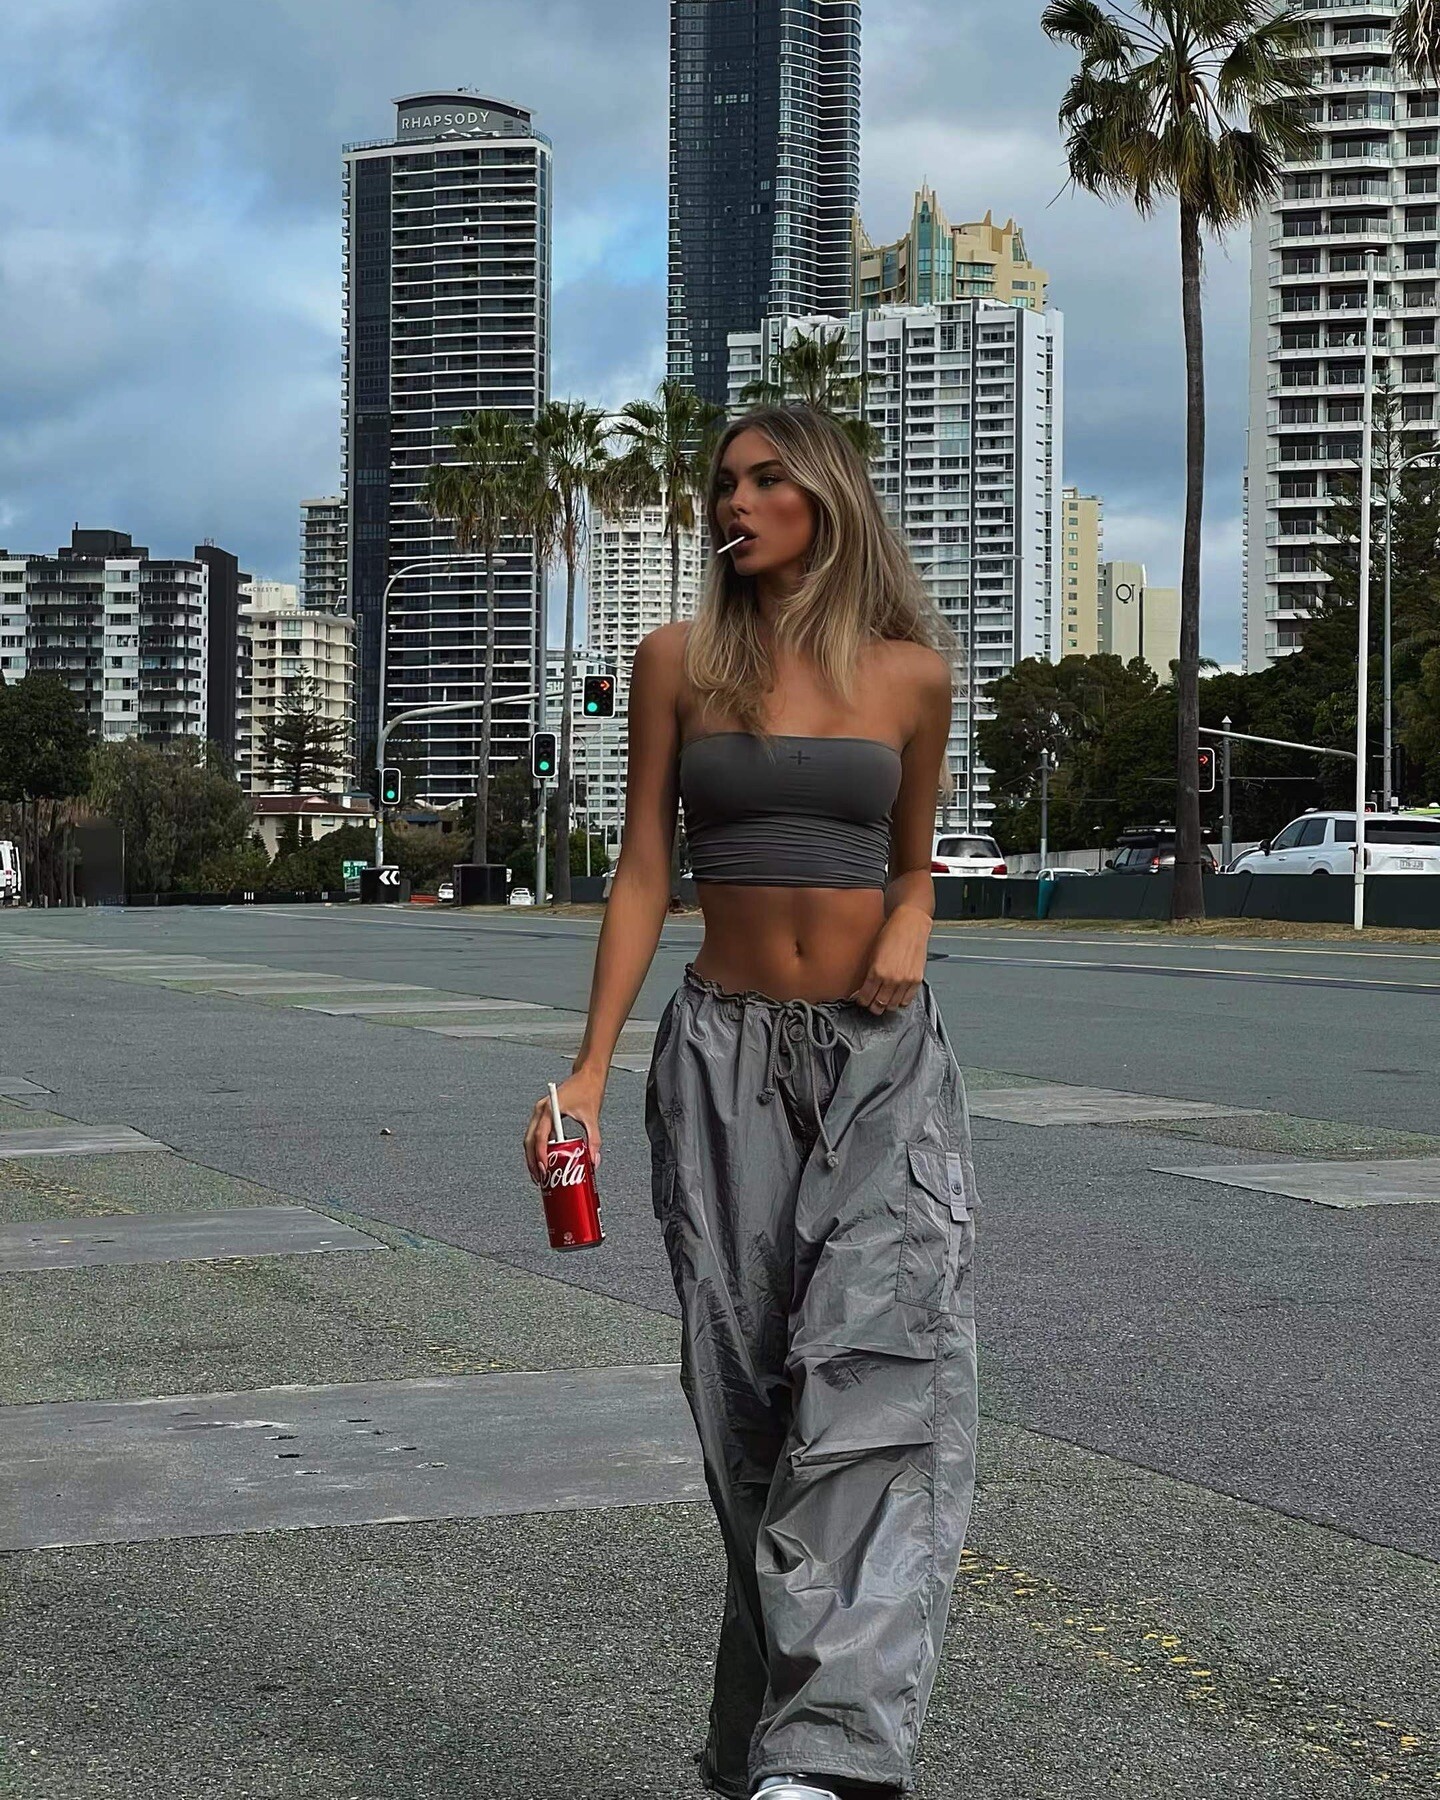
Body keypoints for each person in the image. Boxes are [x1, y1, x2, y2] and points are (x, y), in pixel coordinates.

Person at [523, 405, 979, 1800]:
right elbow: (642, 872)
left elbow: (913, 860)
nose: (735, 501)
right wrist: (588, 1074)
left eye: (765, 478)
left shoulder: (912, 675)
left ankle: (831, 1758)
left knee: (878, 1371)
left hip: (879, 1060)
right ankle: (762, 1751)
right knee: (746, 1403)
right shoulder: (678, 663)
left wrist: (913, 918)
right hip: (719, 1061)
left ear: (825, 497)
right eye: (723, 482)